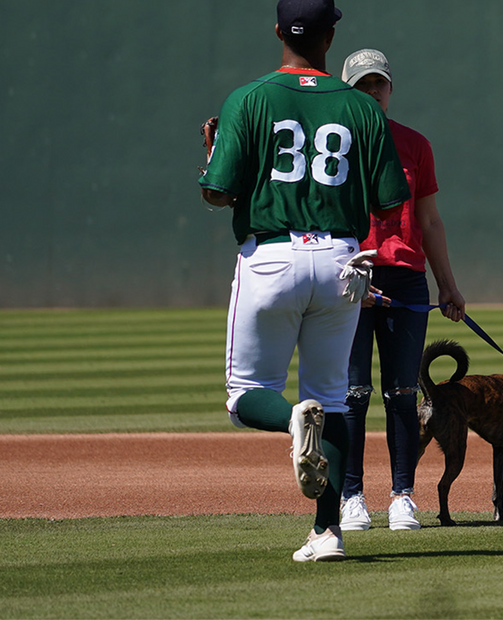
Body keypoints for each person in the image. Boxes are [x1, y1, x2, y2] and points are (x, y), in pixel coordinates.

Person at [197, 0, 408, 561]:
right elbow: (390, 200)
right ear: (330, 37)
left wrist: (215, 154)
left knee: (246, 399)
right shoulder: (362, 107)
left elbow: (217, 192)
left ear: (277, 33)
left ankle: (292, 420)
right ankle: (327, 533)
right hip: (341, 258)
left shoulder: (249, 98)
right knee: (332, 401)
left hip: (271, 255)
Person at [333, 48, 467, 533]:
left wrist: (447, 285)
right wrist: (345, 275)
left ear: (390, 89)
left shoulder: (414, 144)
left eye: (379, 84)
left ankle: (402, 496)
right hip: (350, 274)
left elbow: (429, 220)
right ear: (346, 90)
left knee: (402, 393)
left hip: (406, 279)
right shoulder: (333, 144)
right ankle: (350, 497)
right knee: (352, 393)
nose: (372, 93)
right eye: (362, 85)